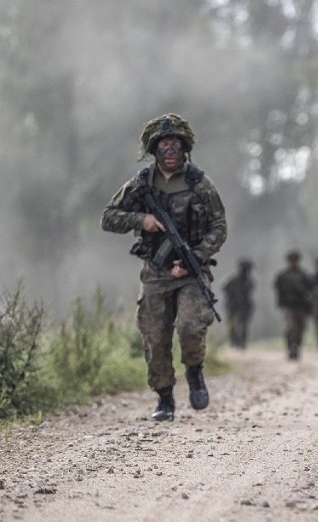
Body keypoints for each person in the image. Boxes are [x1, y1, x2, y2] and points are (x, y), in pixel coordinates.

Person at [101, 113, 227, 422]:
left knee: (189, 326)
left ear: (185, 148)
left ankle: (194, 372)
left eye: (175, 145)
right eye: (163, 145)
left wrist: (195, 258)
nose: (169, 151)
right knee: (155, 337)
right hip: (156, 274)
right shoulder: (142, 183)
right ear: (153, 150)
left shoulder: (200, 183)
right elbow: (109, 217)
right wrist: (140, 219)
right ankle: (165, 399)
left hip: (191, 271)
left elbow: (219, 226)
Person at [273, 250, 313, 360]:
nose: (293, 262)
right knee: (290, 328)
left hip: (301, 306)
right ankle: (291, 347)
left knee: (300, 329)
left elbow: (310, 290)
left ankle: (297, 348)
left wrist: (309, 306)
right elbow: (278, 290)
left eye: (295, 260)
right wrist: (281, 303)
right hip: (288, 306)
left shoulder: (304, 275)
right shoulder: (283, 276)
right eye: (292, 260)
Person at [222, 258, 255, 349]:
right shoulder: (233, 281)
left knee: (243, 325)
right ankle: (235, 342)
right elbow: (225, 290)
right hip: (233, 306)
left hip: (244, 306)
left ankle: (241, 342)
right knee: (234, 326)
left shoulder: (249, 282)